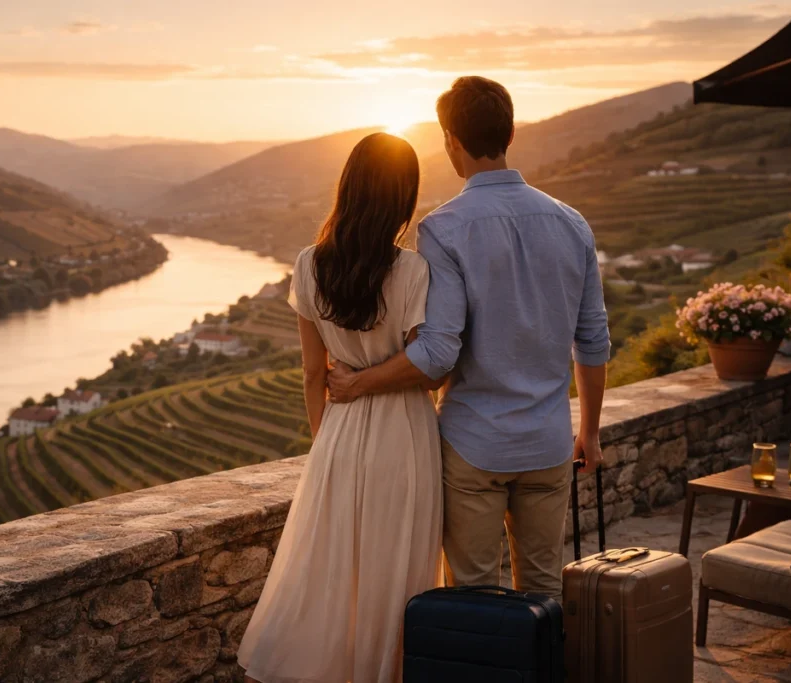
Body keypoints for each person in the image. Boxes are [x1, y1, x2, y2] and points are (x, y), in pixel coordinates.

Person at [328, 76, 611, 603]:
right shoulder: (572, 224)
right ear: (508, 134)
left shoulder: (444, 228)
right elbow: (592, 340)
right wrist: (589, 432)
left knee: (474, 600)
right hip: (549, 442)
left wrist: (358, 383)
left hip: (474, 446)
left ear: (451, 140)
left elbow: (438, 353)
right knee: (545, 590)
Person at [237, 132, 444, 683]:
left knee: (333, 568)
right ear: (402, 197)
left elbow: (312, 373)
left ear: (347, 188)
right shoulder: (414, 272)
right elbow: (430, 368)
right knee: (398, 567)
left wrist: (323, 439)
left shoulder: (308, 265)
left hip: (340, 431)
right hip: (406, 432)